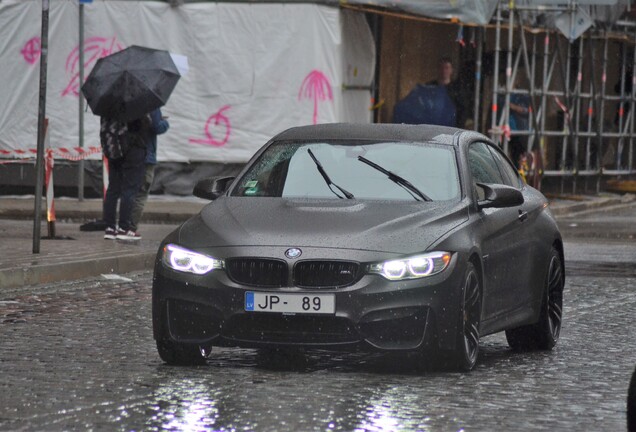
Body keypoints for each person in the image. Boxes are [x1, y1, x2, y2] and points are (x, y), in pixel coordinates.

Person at [102, 116, 149, 241]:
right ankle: (124, 228)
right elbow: (147, 124)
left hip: (114, 150)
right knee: (129, 189)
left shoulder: (108, 103)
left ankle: (110, 228)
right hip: (132, 149)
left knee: (113, 189)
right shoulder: (135, 103)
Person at [129, 108, 169, 237]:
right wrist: (164, 122)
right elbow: (157, 127)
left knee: (128, 193)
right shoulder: (151, 105)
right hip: (146, 158)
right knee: (141, 194)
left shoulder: (126, 104)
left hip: (129, 157)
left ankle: (121, 226)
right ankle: (131, 228)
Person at [426, 57, 466, 128]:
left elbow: (462, 110)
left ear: (451, 70)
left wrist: (458, 127)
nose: (444, 71)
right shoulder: (430, 87)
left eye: (447, 68)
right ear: (437, 69)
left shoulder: (457, 88)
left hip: (451, 127)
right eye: (441, 68)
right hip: (432, 127)